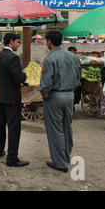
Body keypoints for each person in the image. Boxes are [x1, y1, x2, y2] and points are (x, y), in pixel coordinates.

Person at [40, 31, 81, 173]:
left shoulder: (49, 59)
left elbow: (46, 83)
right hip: (69, 95)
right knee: (67, 127)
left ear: (49, 41)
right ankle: (66, 156)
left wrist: (45, 96)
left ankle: (59, 162)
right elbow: (78, 77)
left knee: (55, 129)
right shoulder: (73, 57)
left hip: (54, 96)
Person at [0, 33, 29, 167]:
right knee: (14, 127)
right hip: (12, 97)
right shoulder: (13, 57)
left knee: (0, 125)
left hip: (1, 95)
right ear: (11, 41)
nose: (19, 45)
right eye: (18, 42)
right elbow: (18, 78)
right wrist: (25, 74)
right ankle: (12, 157)